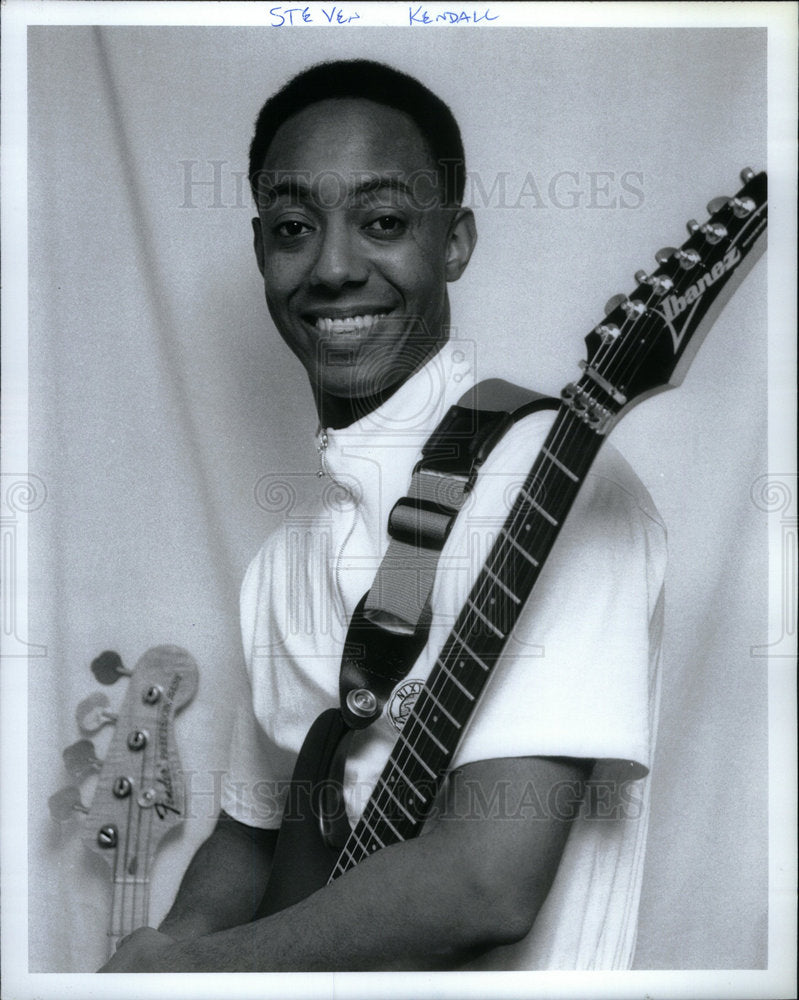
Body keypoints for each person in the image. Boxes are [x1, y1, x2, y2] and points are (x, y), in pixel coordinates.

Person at [100, 59, 667, 973]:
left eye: (384, 222)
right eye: (294, 228)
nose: (330, 267)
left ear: (454, 242)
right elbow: (254, 836)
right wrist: (166, 947)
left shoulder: (553, 480)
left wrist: (199, 973)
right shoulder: (286, 561)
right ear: (260, 250)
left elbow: (485, 883)